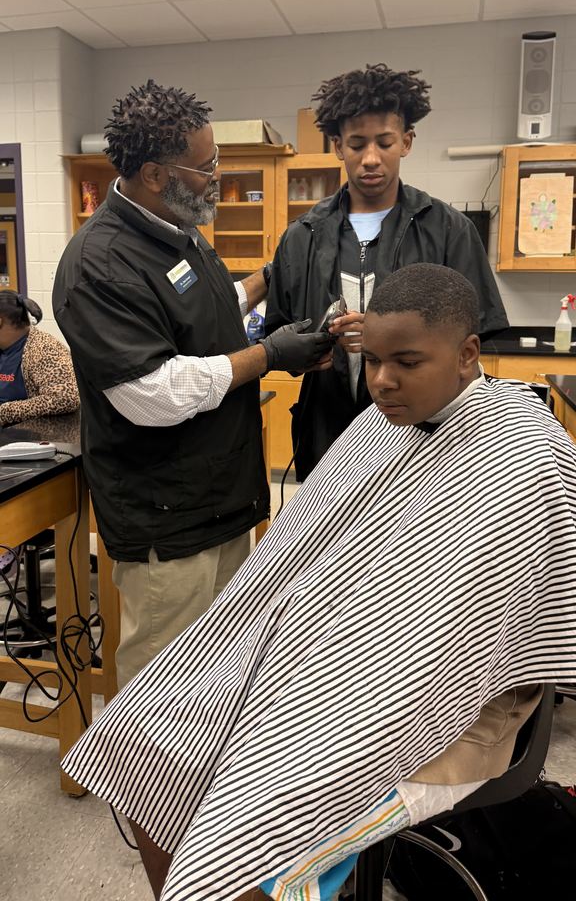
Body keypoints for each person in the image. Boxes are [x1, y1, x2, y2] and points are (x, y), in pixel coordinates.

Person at [60, 264, 576, 901]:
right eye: (376, 360)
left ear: (468, 352)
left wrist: (320, 680)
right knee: (137, 731)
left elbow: (461, 621)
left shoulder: (518, 444)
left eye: (407, 362)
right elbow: (295, 553)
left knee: (254, 811)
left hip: (439, 697)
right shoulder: (381, 424)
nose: (382, 381)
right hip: (318, 648)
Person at [52, 79, 331, 688]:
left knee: (219, 674)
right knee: (161, 693)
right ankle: (144, 786)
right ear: (155, 174)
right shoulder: (101, 264)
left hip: (220, 499)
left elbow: (202, 309)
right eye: (207, 168)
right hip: (166, 517)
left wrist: (267, 277)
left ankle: (205, 785)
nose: (218, 178)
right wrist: (268, 355)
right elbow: (154, 391)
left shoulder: (175, 234)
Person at [265, 63, 509, 480]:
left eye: (385, 142)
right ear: (338, 146)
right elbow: (282, 339)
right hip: (327, 433)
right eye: (357, 144)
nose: (371, 158)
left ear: (407, 142)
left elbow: (472, 340)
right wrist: (319, 346)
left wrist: (388, 338)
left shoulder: (449, 231)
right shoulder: (301, 237)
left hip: (428, 439)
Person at [0, 290, 79, 426]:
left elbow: (66, 397)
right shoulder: (4, 348)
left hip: (26, 438)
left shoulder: (45, 348)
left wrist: (5, 411)